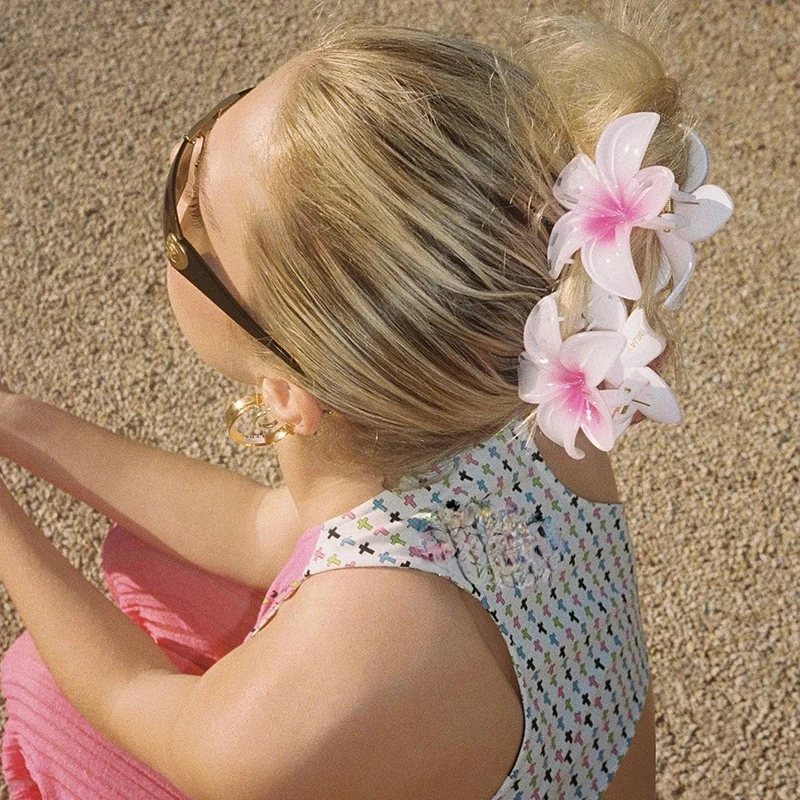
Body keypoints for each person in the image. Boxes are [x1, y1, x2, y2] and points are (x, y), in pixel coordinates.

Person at [0, 2, 732, 797]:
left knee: (39, 682)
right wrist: (16, 423)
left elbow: (131, 698)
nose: (174, 150)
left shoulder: (331, 676)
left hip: (335, 712)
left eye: (192, 212)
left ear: (289, 393)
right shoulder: (543, 388)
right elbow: (262, 528)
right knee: (152, 560)